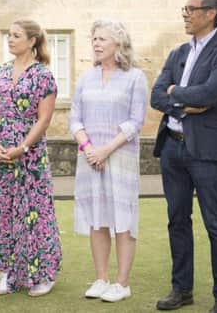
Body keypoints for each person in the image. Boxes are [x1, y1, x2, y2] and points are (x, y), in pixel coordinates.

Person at [150, 0, 217, 313]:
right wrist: (180, 105)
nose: (185, 14)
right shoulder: (178, 53)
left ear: (211, 13)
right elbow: (157, 95)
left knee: (216, 223)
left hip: (205, 152)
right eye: (184, 9)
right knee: (177, 220)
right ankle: (182, 289)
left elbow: (209, 94)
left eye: (191, 8)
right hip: (172, 149)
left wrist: (178, 93)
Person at [0, 18, 62, 297]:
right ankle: (7, 274)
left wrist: (22, 148)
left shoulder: (43, 75)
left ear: (32, 41)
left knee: (34, 213)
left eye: (16, 35)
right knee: (2, 212)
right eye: (9, 35)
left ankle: (43, 274)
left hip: (28, 156)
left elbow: (44, 119)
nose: (10, 39)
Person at [69, 19, 147, 303]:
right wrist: (89, 148)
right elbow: (74, 117)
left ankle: (122, 283)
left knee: (123, 219)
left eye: (102, 39)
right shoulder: (86, 78)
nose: (96, 43)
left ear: (119, 44)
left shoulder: (135, 78)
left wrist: (105, 151)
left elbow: (135, 122)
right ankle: (101, 278)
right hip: (89, 159)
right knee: (97, 218)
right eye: (94, 39)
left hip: (120, 157)